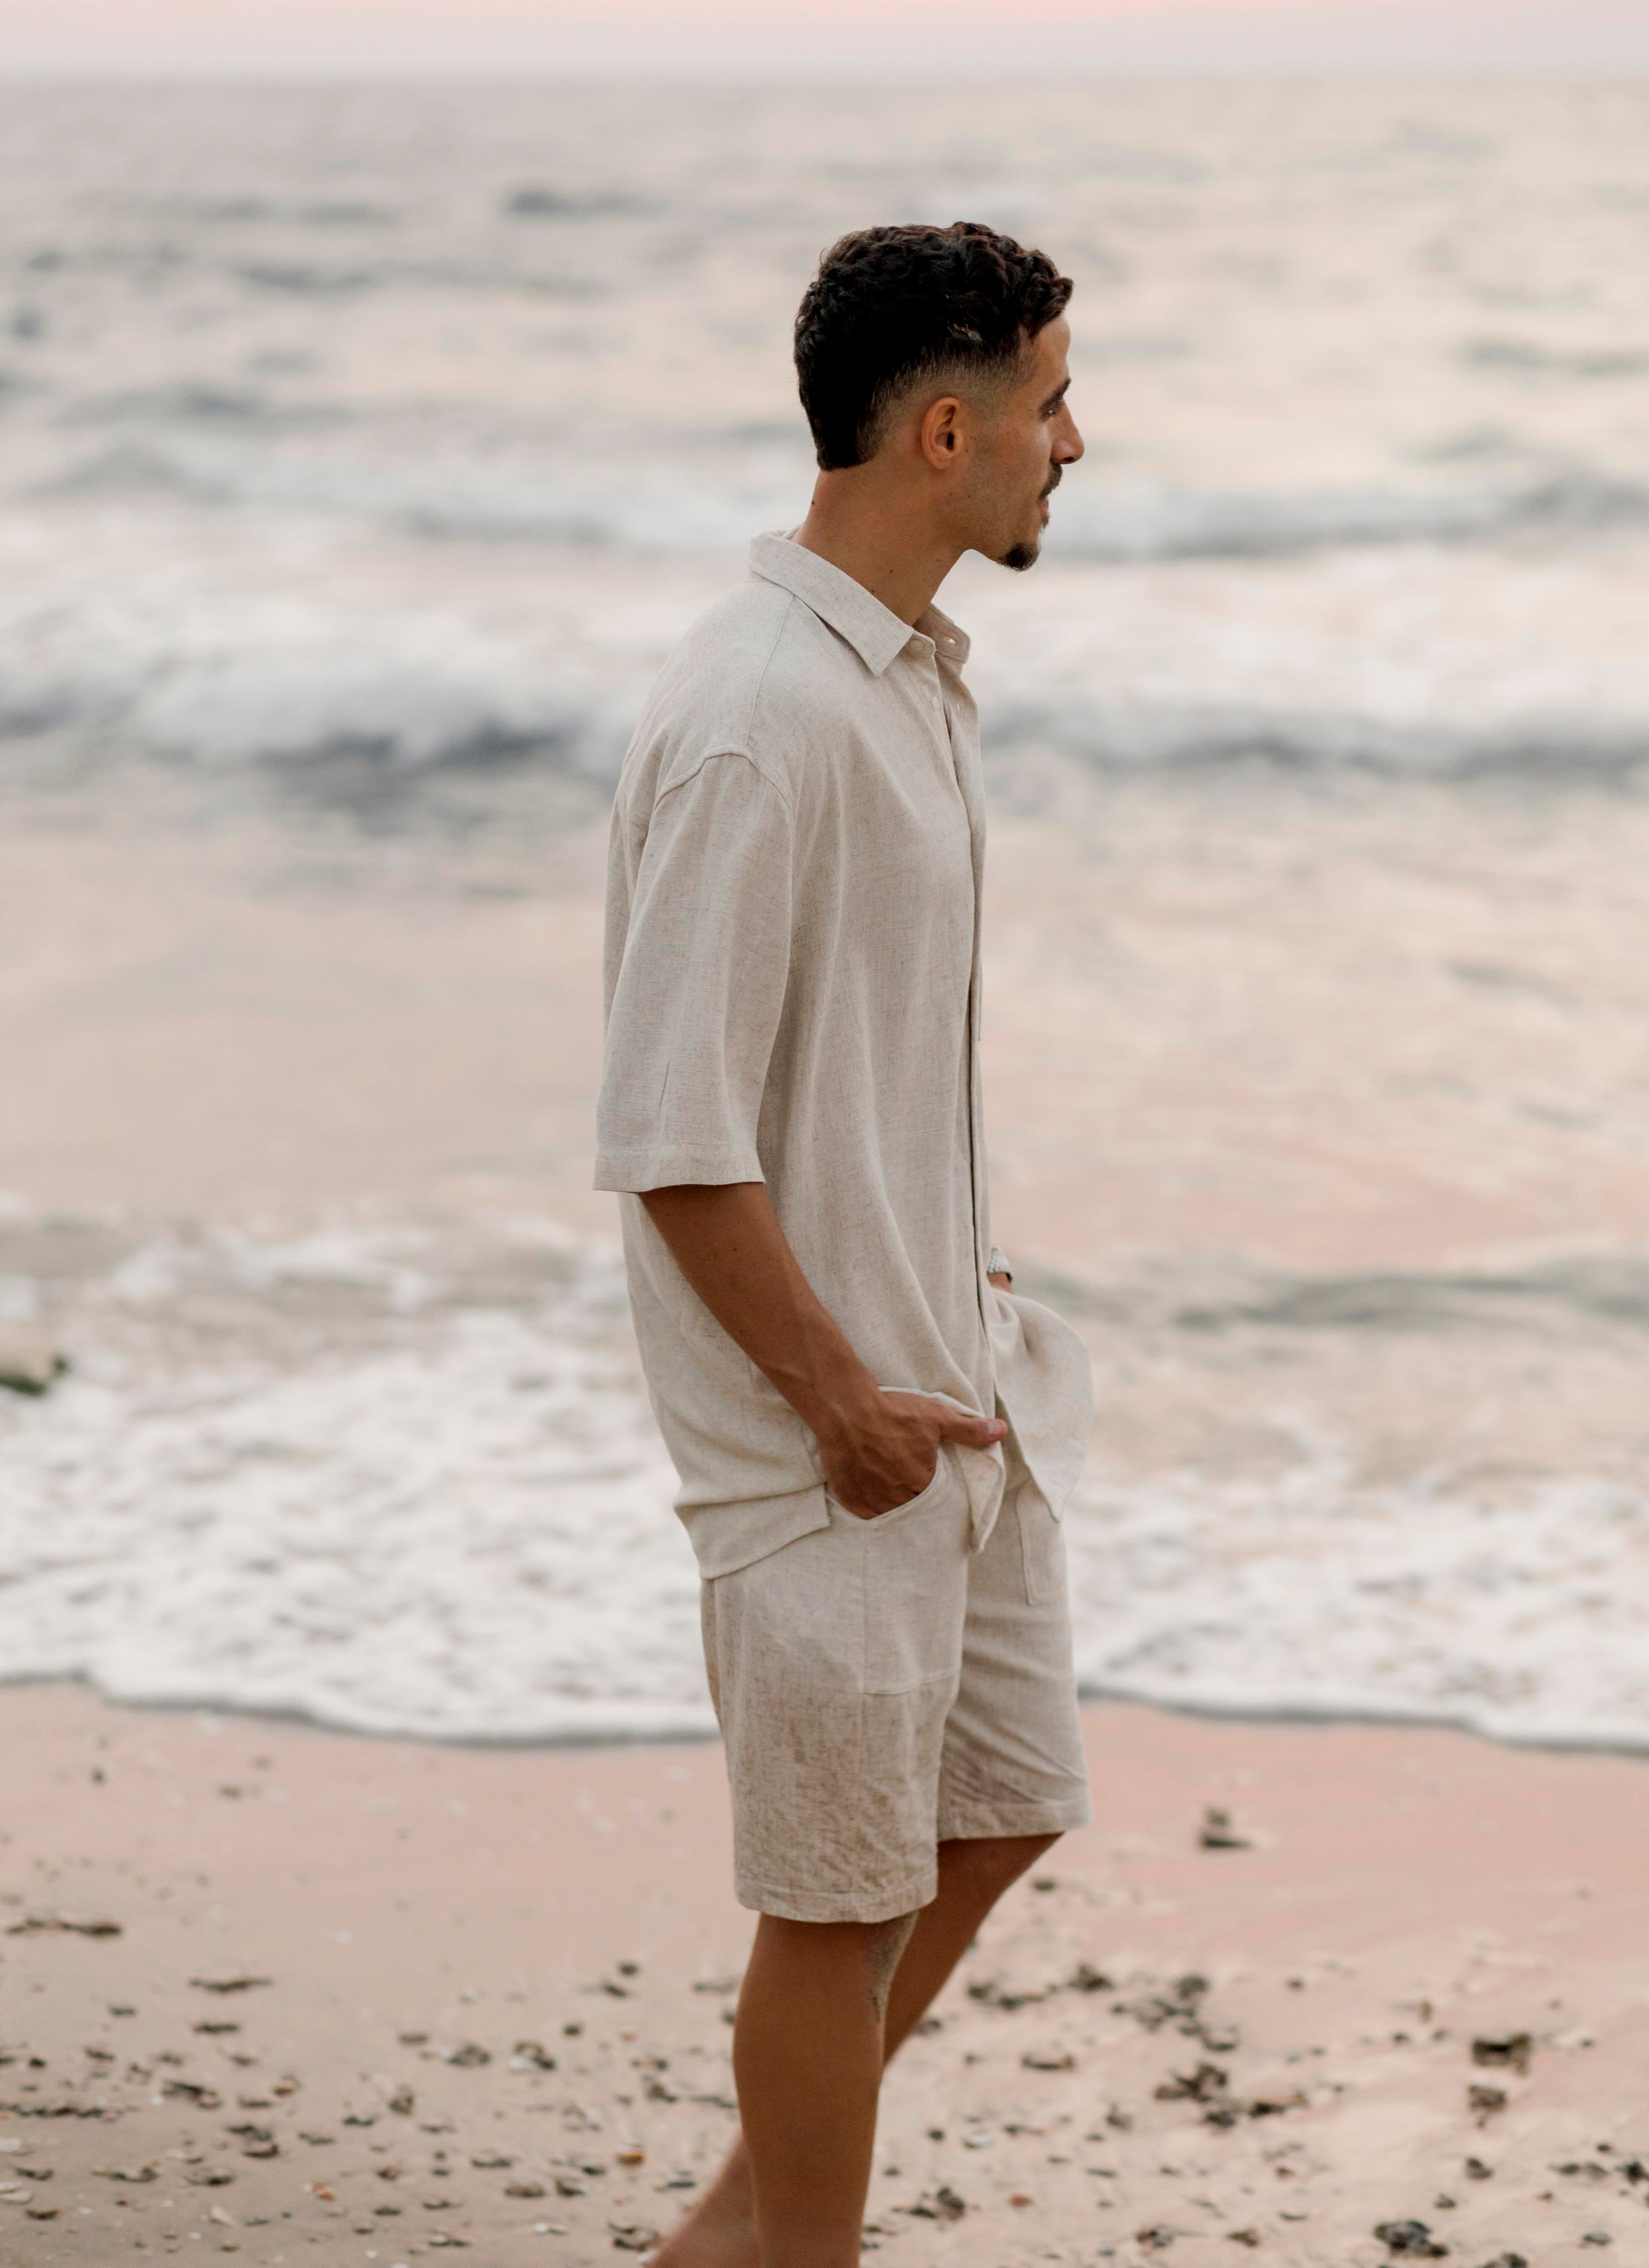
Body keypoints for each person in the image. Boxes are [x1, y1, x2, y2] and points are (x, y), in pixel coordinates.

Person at [594, 221, 1093, 2268]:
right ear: (950, 426)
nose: (1081, 443)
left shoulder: (908, 684)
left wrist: (948, 1354)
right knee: (835, 1901)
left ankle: (729, 2238)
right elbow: (670, 1136)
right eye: (1054, 405)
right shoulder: (754, 719)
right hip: (831, 1432)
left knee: (1000, 1807)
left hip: (950, 1379)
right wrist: (836, 1411)